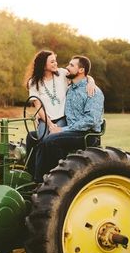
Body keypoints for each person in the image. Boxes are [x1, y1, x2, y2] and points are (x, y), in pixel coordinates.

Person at [33, 55, 104, 183]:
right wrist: (39, 115)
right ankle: (31, 175)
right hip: (72, 131)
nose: (67, 67)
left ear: (81, 70)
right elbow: (51, 102)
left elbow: (90, 121)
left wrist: (62, 129)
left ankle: (50, 181)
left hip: (86, 134)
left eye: (71, 65)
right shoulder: (70, 89)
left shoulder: (93, 91)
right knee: (32, 136)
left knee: (50, 140)